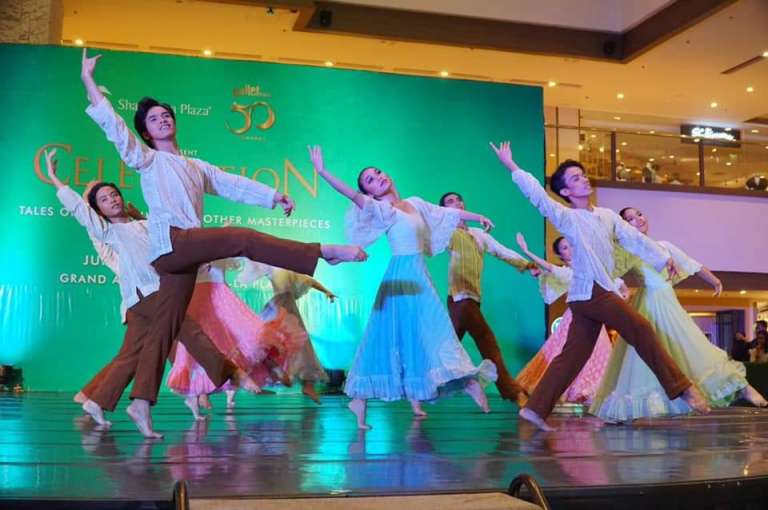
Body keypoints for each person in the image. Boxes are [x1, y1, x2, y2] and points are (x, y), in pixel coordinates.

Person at [80, 49, 367, 437]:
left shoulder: (197, 166)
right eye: (153, 119)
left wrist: (273, 196)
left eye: (167, 115)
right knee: (241, 238)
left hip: (182, 258)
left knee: (164, 329)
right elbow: (115, 129)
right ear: (146, 132)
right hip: (172, 244)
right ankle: (321, 253)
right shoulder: (147, 159)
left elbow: (232, 184)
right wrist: (89, 83)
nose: (163, 119)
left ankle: (140, 404)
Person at [489, 141, 709, 431]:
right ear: (566, 191)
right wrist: (513, 167)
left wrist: (662, 257)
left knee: (572, 357)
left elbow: (633, 238)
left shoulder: (606, 216)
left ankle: (535, 409)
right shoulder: (568, 217)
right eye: (575, 178)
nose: (583, 179)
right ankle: (681, 388)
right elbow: (538, 197)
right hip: (592, 290)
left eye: (583, 174)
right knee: (640, 328)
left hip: (585, 297)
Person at [46, 150, 248, 435]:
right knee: (189, 332)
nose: (112, 200)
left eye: (114, 195)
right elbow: (81, 212)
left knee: (133, 355)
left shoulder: (144, 225)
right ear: (99, 211)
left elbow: (175, 245)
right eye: (104, 199)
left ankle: (98, 401)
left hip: (144, 299)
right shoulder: (107, 232)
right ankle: (230, 375)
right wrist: (57, 181)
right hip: (147, 295)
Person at [309, 146, 497, 429]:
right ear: (370, 193)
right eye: (370, 180)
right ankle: (361, 398)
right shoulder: (381, 210)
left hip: (416, 273)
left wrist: (478, 216)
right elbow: (350, 194)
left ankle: (461, 381)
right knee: (391, 336)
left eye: (378, 173)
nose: (378, 178)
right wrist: (323, 172)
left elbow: (446, 212)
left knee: (424, 331)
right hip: (400, 278)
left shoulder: (415, 203)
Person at [590, 207, 766, 422]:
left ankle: (743, 388)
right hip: (648, 304)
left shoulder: (664, 246)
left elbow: (692, 263)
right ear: (625, 226)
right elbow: (609, 270)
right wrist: (620, 287)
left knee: (693, 347)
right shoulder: (628, 251)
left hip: (668, 302)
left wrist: (715, 280)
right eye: (630, 219)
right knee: (644, 355)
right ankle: (639, 408)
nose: (638, 219)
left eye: (639, 214)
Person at [166, 259, 307, 419]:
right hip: (199, 300)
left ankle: (268, 366)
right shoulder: (191, 256)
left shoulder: (219, 255)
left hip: (222, 300)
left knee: (248, 335)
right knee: (204, 345)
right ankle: (197, 395)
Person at [439, 191, 535, 402]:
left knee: (445, 347)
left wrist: (527, 264)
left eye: (458, 199)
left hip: (472, 298)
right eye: (450, 202)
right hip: (459, 298)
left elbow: (501, 250)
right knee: (487, 342)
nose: (457, 203)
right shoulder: (446, 233)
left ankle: (418, 389)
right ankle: (512, 391)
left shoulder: (478, 234)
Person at [515, 234, 618, 406]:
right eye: (564, 248)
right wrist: (527, 252)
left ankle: (592, 390)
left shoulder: (589, 267)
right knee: (566, 353)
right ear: (561, 255)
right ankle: (567, 390)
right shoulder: (567, 272)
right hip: (576, 317)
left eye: (570, 244)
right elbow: (549, 269)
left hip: (595, 316)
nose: (569, 249)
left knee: (598, 354)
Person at [235, 260, 336, 404]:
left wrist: (326, 291)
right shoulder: (271, 266)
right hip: (280, 305)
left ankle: (302, 382)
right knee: (273, 339)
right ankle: (276, 370)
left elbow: (309, 280)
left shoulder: (289, 268)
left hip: (285, 304)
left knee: (297, 342)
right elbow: (254, 267)